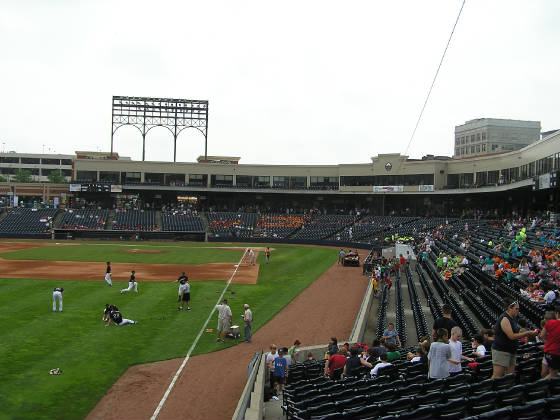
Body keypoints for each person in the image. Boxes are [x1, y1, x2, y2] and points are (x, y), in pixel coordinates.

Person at [491, 297, 538, 378]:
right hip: (501, 350)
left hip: (511, 350)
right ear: (509, 308)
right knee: (497, 376)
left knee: (510, 376)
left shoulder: (513, 318)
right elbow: (511, 336)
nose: (518, 311)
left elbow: (516, 332)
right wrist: (527, 333)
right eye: (516, 309)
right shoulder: (505, 319)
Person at [540, 305, 560, 378]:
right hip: (556, 352)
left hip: (550, 352)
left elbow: (542, 335)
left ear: (557, 314)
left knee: (551, 374)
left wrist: (548, 342)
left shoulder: (551, 323)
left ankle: (538, 386)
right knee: (553, 374)